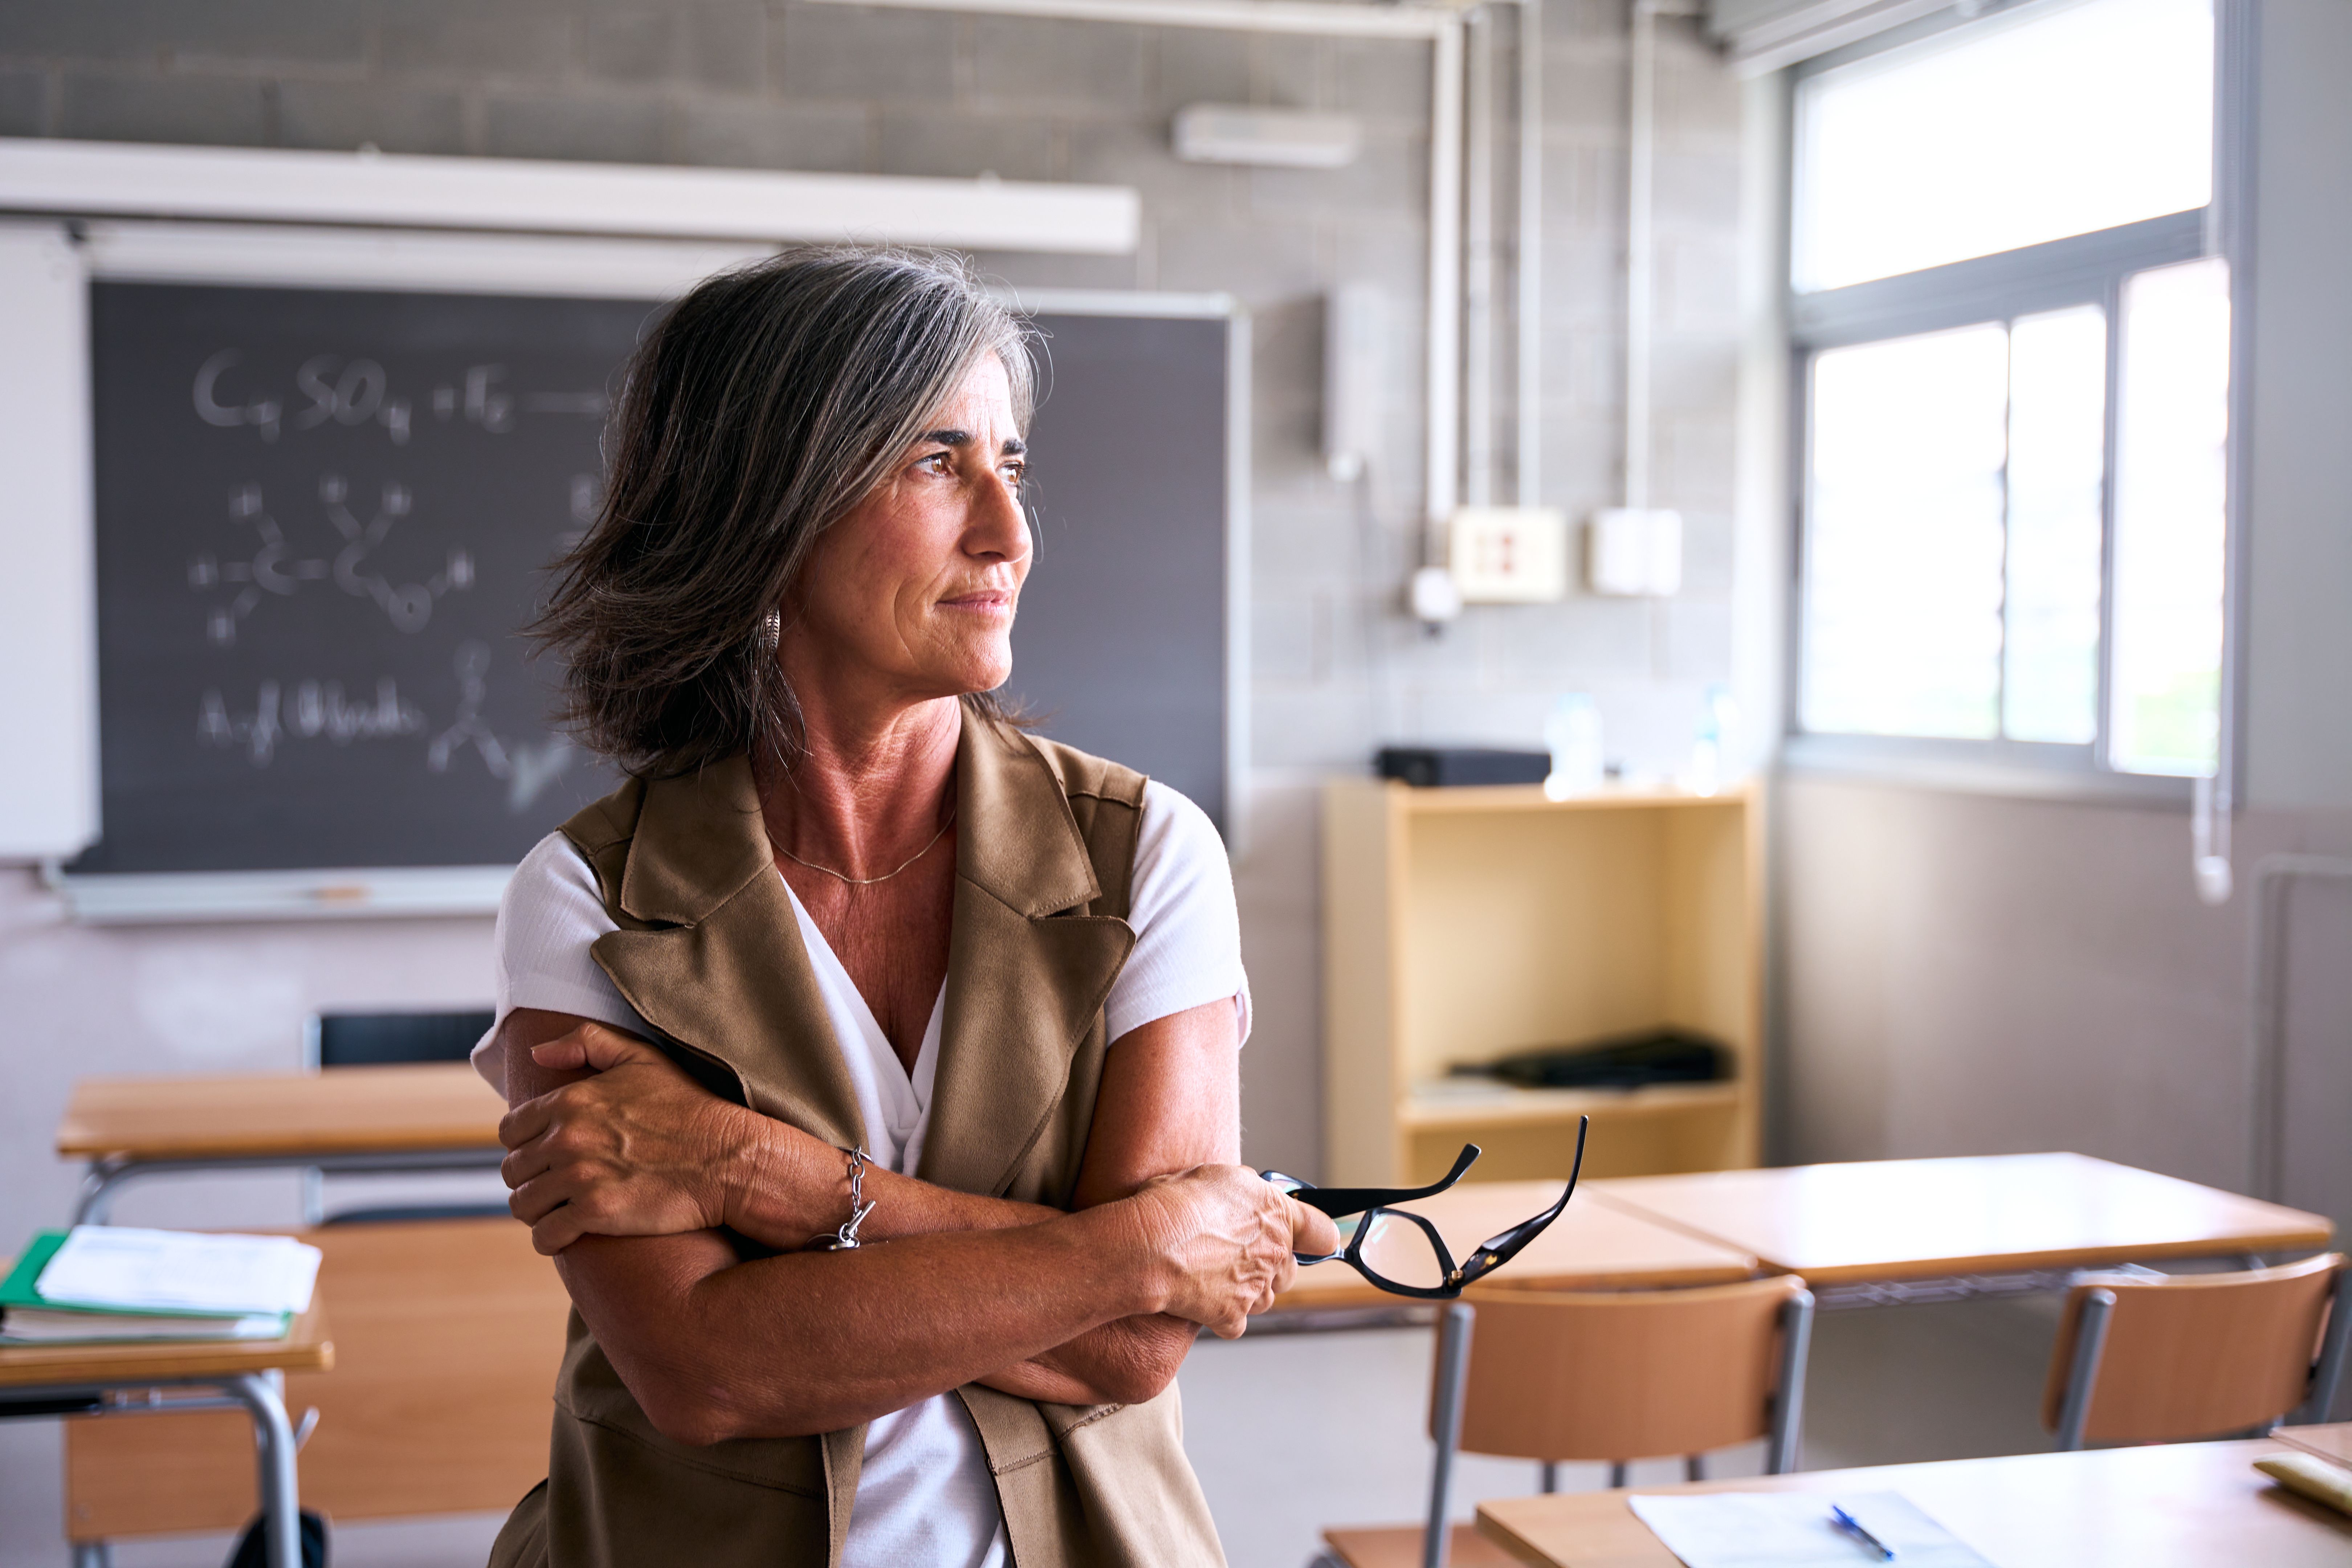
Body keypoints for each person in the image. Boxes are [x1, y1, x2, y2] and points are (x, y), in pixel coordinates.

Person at [470, 248, 1336, 1568]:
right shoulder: (592, 900)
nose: (1010, 531)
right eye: (936, 463)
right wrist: (1137, 1242)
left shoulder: (1151, 855)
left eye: (1013, 465)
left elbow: (1138, 1344)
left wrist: (773, 1178)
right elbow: (705, 1371)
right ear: (765, 509)